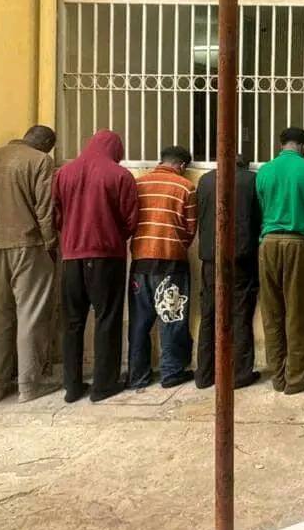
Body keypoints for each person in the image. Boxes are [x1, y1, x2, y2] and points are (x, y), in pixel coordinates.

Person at [0, 125, 60, 403]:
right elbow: (45, 208)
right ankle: (28, 385)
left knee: (0, 315)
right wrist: (50, 243)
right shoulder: (40, 161)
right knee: (30, 313)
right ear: (46, 144)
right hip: (28, 243)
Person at [53, 130, 138, 403]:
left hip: (71, 256)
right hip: (107, 256)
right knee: (107, 318)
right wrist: (113, 236)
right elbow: (130, 219)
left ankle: (72, 386)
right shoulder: (120, 175)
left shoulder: (63, 173)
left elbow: (56, 215)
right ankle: (103, 384)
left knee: (73, 322)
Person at [257, 127, 304, 394]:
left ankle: (277, 376)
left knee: (271, 313)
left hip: (268, 243)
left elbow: (262, 207)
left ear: (281, 144)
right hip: (299, 243)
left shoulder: (264, 171)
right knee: (298, 312)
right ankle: (296, 378)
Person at [125, 146, 197, 389]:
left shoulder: (138, 184)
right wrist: (176, 245)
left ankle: (138, 376)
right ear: (182, 166)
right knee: (172, 317)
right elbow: (190, 228)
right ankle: (171, 373)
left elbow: (130, 221)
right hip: (171, 261)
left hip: (140, 260)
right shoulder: (185, 187)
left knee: (139, 321)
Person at [195, 155, 262, 389]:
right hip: (241, 257)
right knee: (241, 314)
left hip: (210, 258)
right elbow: (258, 218)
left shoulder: (204, 181)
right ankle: (240, 374)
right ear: (245, 166)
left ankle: (204, 374)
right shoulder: (251, 181)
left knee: (209, 315)